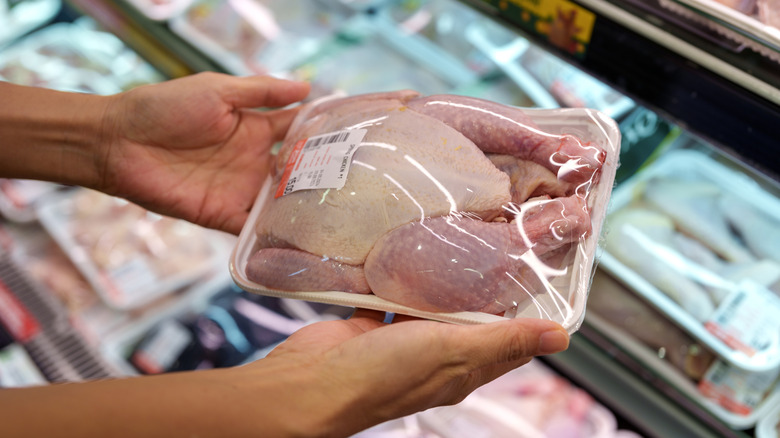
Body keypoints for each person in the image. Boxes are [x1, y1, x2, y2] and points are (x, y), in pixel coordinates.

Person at [0, 72, 570, 437]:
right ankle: (540, 164)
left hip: (345, 180)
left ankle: (541, 155)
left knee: (406, 140)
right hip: (331, 219)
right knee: (384, 263)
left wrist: (110, 136)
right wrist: (303, 399)